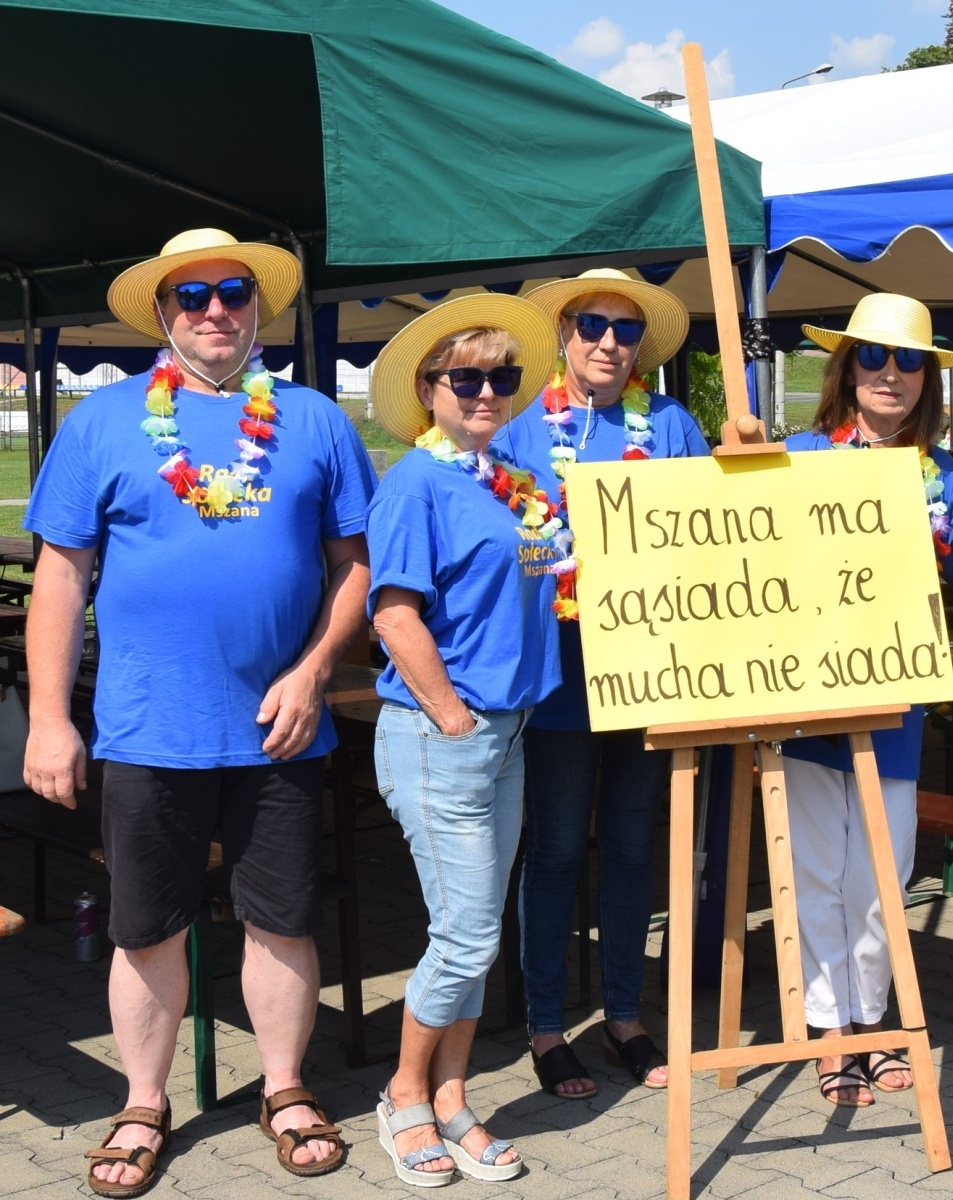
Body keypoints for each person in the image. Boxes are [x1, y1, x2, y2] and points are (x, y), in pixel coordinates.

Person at [23, 228, 376, 1194]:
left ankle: (287, 1087)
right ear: (164, 315)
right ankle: (143, 1101)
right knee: (145, 927)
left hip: (282, 728)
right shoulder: (104, 421)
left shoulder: (314, 419)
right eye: (192, 297)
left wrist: (311, 673)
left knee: (283, 922)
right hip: (148, 727)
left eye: (232, 292)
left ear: (257, 306)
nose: (214, 310)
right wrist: (50, 719)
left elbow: (355, 570)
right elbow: (61, 573)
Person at [365, 294, 561, 1186]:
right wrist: (449, 710)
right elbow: (394, 611)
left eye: (503, 377)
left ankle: (453, 1098)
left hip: (507, 730)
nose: (487, 393)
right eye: (467, 378)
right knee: (470, 931)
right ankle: (404, 1095)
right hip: (444, 732)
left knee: (469, 927)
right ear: (429, 391)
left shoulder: (507, 479)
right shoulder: (416, 481)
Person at [499, 268, 705, 1097]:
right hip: (554, 670)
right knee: (551, 852)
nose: (609, 343)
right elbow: (494, 536)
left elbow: (706, 537)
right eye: (592, 325)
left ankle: (626, 1015)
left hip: (648, 668)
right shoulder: (517, 423)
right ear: (564, 332)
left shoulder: (672, 424)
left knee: (628, 848)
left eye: (625, 331)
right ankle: (547, 1028)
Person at [778, 293, 953, 1107]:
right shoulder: (793, 456)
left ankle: (878, 1021)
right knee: (815, 871)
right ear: (846, 370)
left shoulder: (950, 479)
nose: (890, 374)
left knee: (882, 877)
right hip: (803, 702)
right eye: (874, 357)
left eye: (908, 361)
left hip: (897, 700)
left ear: (927, 379)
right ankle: (832, 1031)